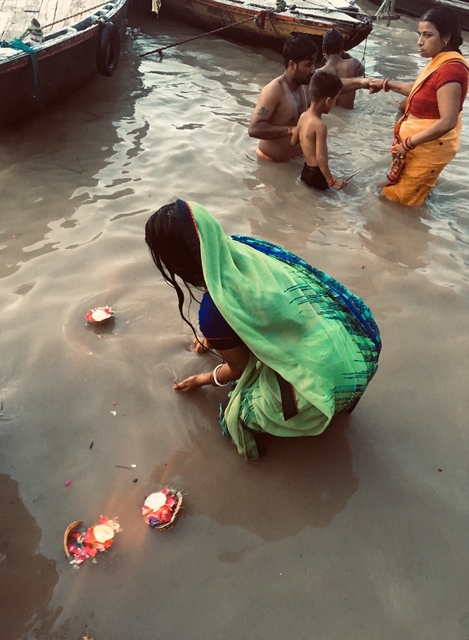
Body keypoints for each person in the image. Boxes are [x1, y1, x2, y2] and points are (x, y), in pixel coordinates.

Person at [145, 199, 381, 460]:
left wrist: (202, 379)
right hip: (361, 348)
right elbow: (266, 307)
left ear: (177, 265)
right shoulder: (249, 247)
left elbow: (239, 368)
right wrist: (214, 339)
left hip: (330, 385)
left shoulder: (212, 312)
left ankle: (264, 451)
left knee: (235, 415)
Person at [369, 6, 469, 207]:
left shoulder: (451, 71)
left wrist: (408, 143)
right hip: (418, 145)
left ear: (446, 37)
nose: (419, 41)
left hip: (426, 148)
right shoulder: (440, 61)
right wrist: (385, 84)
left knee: (398, 204)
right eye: (419, 34)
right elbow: (421, 90)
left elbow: (448, 121)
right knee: (402, 194)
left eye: (427, 35)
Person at [248, 34, 318, 162]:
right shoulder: (274, 90)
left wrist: (361, 83)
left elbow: (332, 85)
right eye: (308, 65)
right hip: (270, 165)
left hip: (295, 162)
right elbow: (254, 129)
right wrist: (290, 130)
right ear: (292, 65)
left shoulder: (305, 85)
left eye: (314, 64)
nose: (313, 70)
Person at [291, 70, 347, 191]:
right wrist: (332, 180)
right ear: (328, 101)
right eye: (335, 99)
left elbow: (294, 141)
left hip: (305, 171)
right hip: (317, 174)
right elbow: (321, 158)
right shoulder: (320, 126)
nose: (334, 103)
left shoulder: (303, 117)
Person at [320, 28, 364, 110]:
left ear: (323, 49)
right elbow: (362, 71)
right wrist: (348, 56)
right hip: (349, 115)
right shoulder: (354, 64)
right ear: (342, 47)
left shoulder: (319, 73)